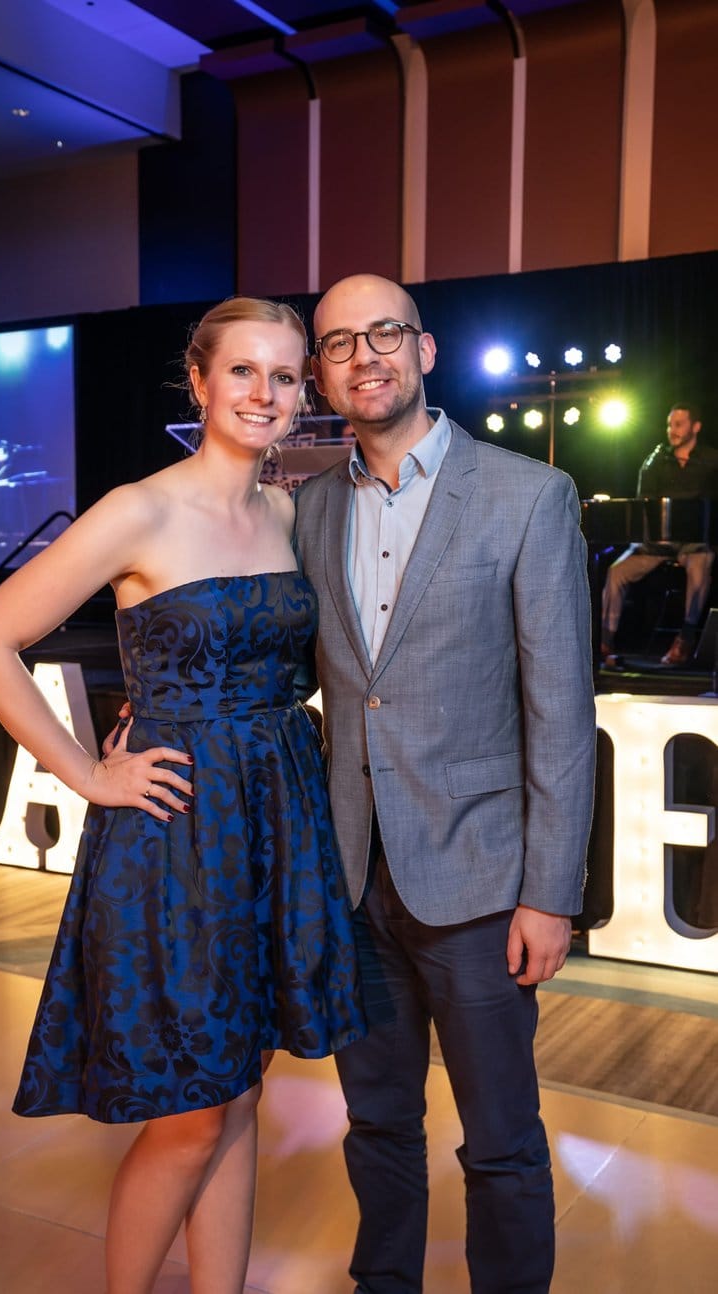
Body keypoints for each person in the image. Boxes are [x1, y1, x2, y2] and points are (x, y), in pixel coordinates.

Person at [0, 297, 365, 1294]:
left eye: (284, 375)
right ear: (199, 381)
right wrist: (87, 769)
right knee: (191, 1116)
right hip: (175, 834)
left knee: (238, 1094)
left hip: (272, 822)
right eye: (243, 371)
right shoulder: (139, 509)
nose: (264, 393)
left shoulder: (285, 511)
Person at [294, 273, 597, 1294]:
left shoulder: (527, 495)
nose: (365, 355)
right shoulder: (309, 508)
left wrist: (550, 892)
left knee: (501, 1140)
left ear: (424, 351)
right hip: (353, 881)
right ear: (321, 373)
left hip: (481, 884)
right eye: (340, 342)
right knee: (377, 1123)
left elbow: (561, 712)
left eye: (385, 332)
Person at [599, 403, 718, 667]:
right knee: (617, 571)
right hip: (657, 544)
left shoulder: (711, 461)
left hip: (693, 544)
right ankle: (605, 641)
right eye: (669, 425)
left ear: (695, 427)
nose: (672, 430)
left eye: (679, 424)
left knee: (701, 564)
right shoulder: (655, 461)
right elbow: (645, 503)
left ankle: (685, 640)